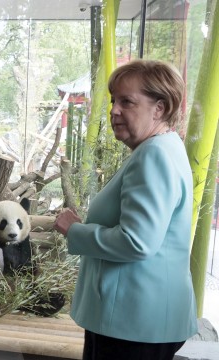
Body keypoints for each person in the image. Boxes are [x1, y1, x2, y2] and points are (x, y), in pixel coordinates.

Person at [54, 59, 197, 360]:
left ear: (159, 108)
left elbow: (137, 241)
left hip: (132, 324)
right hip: (141, 321)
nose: (114, 110)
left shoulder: (153, 156)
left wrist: (75, 231)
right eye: (113, 100)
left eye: (127, 102)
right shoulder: (164, 146)